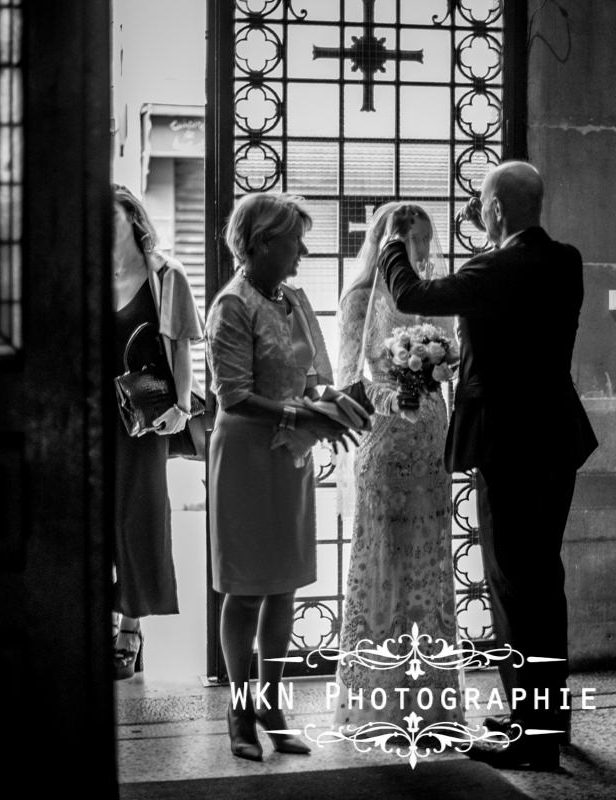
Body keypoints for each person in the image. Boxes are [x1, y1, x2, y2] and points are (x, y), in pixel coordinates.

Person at [378, 161, 598, 770]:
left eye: (481, 201)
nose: (478, 209)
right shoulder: (565, 260)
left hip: (509, 446)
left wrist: (394, 243)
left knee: (512, 585)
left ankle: (533, 743)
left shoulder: (495, 269)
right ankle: (543, 718)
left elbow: (411, 295)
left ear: (497, 209)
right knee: (540, 582)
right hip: (555, 437)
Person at [206, 192, 351, 761]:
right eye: (295, 238)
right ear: (264, 241)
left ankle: (272, 703)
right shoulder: (231, 305)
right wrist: (302, 414)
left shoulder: (293, 298)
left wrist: (336, 405)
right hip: (244, 457)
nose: (304, 249)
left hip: (289, 454)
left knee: (285, 583)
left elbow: (316, 378)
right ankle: (239, 710)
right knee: (245, 590)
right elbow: (234, 395)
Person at [333, 203, 462, 730]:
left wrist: (439, 366)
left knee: (426, 565)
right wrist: (395, 396)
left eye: (429, 242)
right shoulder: (361, 298)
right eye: (418, 243)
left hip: (431, 442)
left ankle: (427, 697)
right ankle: (378, 700)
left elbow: (453, 362)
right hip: (386, 443)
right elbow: (350, 379)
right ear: (393, 243)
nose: (426, 253)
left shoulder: (433, 298)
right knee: (384, 562)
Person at [110, 184, 204, 680]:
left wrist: (183, 407)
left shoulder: (166, 275)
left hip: (145, 419)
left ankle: (131, 625)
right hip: (94, 414)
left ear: (133, 220)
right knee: (95, 516)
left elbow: (184, 344)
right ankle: (103, 617)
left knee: (139, 516)